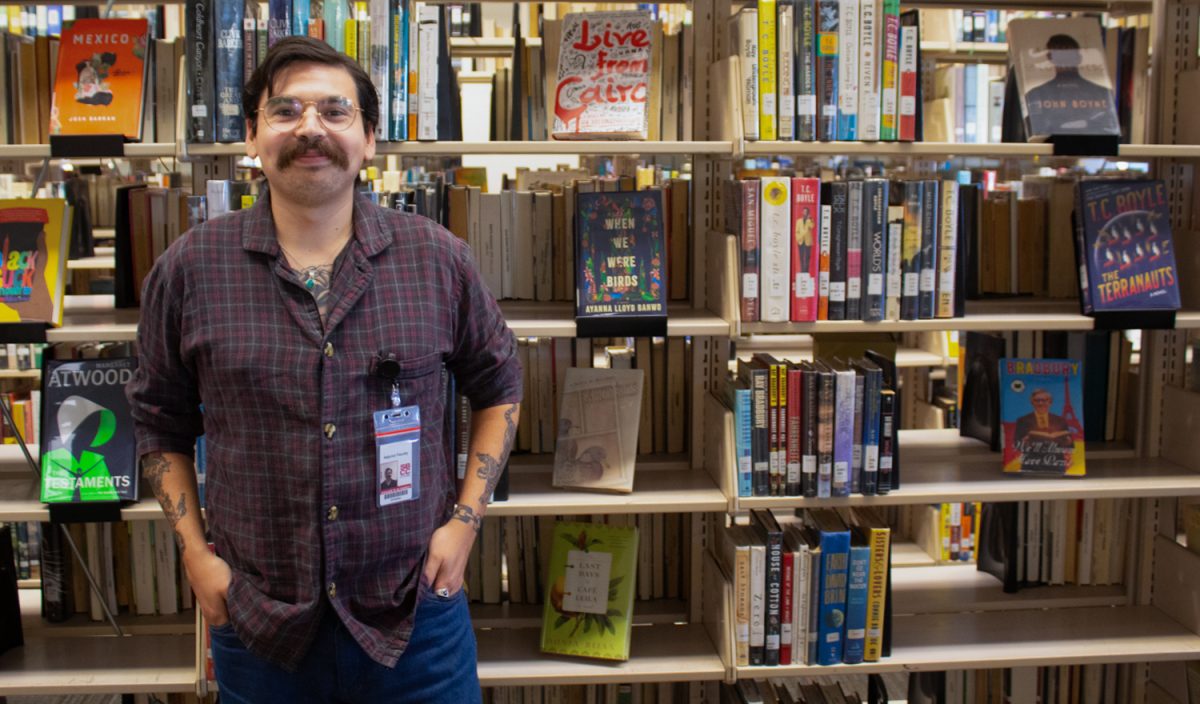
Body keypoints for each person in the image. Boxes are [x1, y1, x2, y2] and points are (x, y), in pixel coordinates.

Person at [127, 36, 522, 704]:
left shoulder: (438, 260)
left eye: (335, 112)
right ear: (252, 136)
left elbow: (500, 386)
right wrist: (194, 552)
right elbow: (157, 418)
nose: (310, 128)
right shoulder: (190, 269)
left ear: (370, 139)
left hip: (415, 623)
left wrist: (466, 521)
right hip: (261, 630)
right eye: (285, 111)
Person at [1022, 33, 1119, 135]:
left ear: (1079, 57)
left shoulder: (1103, 93)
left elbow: (1111, 129)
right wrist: (1086, 123)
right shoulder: (1036, 94)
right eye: (1060, 54)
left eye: (1069, 54)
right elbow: (1039, 131)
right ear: (1049, 57)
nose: (1065, 61)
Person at [1012, 388, 1073, 471]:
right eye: (1037, 400)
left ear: (1050, 402)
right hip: (1031, 464)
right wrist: (1024, 442)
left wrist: (1069, 442)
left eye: (1044, 400)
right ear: (1032, 402)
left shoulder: (1061, 420)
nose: (1040, 403)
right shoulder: (1022, 420)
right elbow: (1016, 444)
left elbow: (1070, 446)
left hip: (1056, 464)